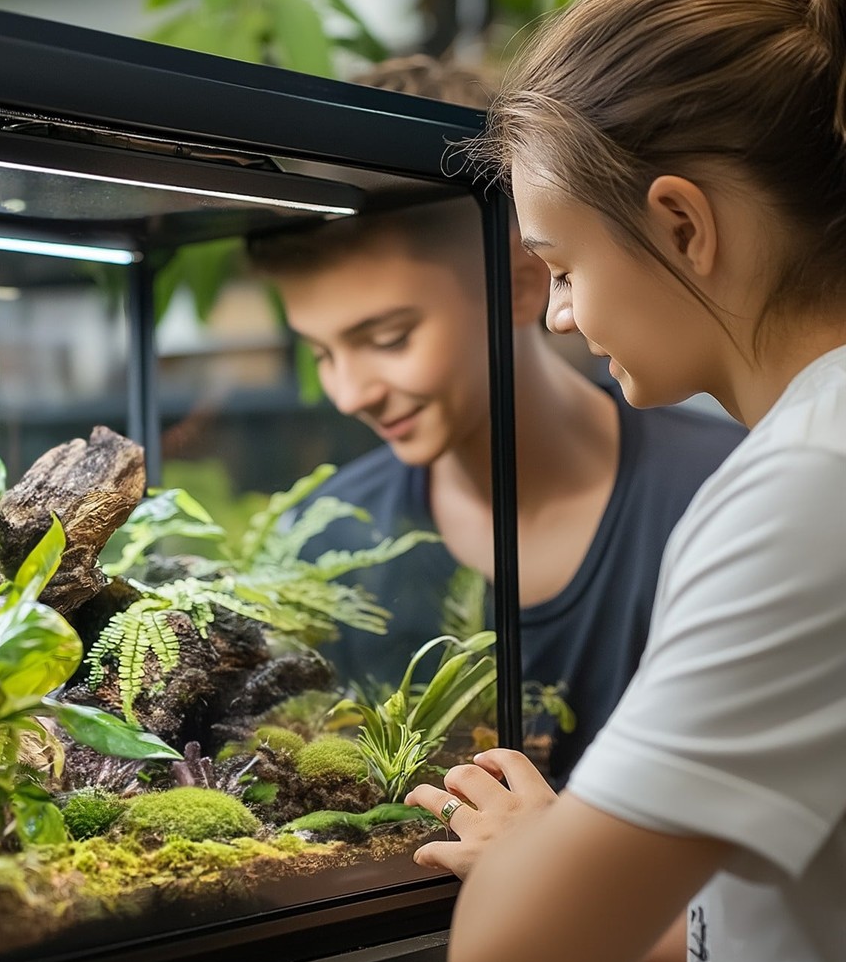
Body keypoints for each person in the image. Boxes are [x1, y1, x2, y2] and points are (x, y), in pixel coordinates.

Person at [408, 0, 846, 962]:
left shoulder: (799, 494)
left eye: (562, 266)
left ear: (682, 225)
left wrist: (540, 859)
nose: (557, 315)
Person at [247, 55, 745, 789]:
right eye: (320, 352)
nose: (349, 394)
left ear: (520, 283)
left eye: (389, 339)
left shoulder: (728, 491)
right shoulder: (328, 542)